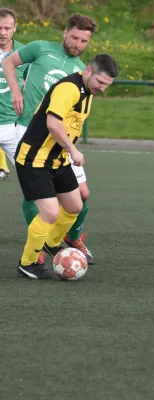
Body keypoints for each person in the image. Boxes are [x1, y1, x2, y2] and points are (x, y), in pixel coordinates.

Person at [3, 13, 98, 263]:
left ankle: (67, 237)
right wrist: (16, 91)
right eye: (75, 37)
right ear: (65, 33)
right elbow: (9, 63)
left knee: (82, 195)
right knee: (34, 195)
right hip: (29, 131)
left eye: (84, 41)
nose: (77, 44)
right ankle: (36, 252)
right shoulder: (40, 48)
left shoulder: (83, 71)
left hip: (60, 140)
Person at [15, 54, 117, 279]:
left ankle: (51, 243)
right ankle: (28, 262)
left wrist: (67, 151)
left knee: (74, 206)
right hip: (34, 158)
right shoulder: (68, 88)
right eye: (100, 82)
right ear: (88, 70)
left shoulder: (88, 92)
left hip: (56, 159)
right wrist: (72, 149)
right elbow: (53, 123)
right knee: (50, 212)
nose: (102, 88)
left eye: (106, 85)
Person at [0, 8, 26, 181]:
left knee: (32, 175)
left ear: (15, 28)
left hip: (12, 125)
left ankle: (42, 209)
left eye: (7, 28)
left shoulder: (25, 54)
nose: (2, 32)